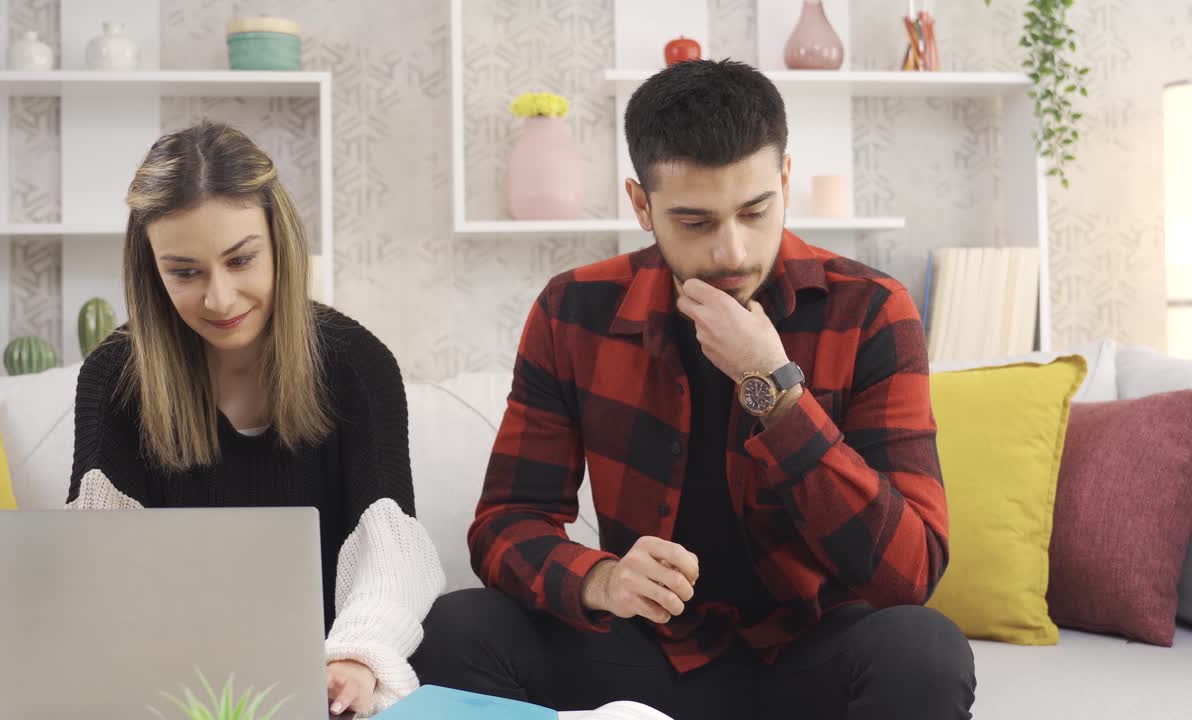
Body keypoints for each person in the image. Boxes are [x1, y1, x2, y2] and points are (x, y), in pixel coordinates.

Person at [412, 60, 975, 719]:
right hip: (645, 652)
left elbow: (909, 575)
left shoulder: (872, 309)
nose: (732, 252)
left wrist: (776, 391)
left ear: (784, 182)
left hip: (808, 654)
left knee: (925, 652)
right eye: (696, 222)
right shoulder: (573, 310)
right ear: (641, 205)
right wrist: (602, 579)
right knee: (455, 630)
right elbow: (506, 524)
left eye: (755, 211)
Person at [66, 120, 444, 718]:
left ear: (279, 244)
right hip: (167, 684)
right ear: (151, 270)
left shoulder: (355, 362)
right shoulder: (114, 374)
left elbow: (389, 546)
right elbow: (96, 559)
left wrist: (357, 656)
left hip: (326, 677)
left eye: (240, 260)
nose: (220, 299)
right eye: (184, 272)